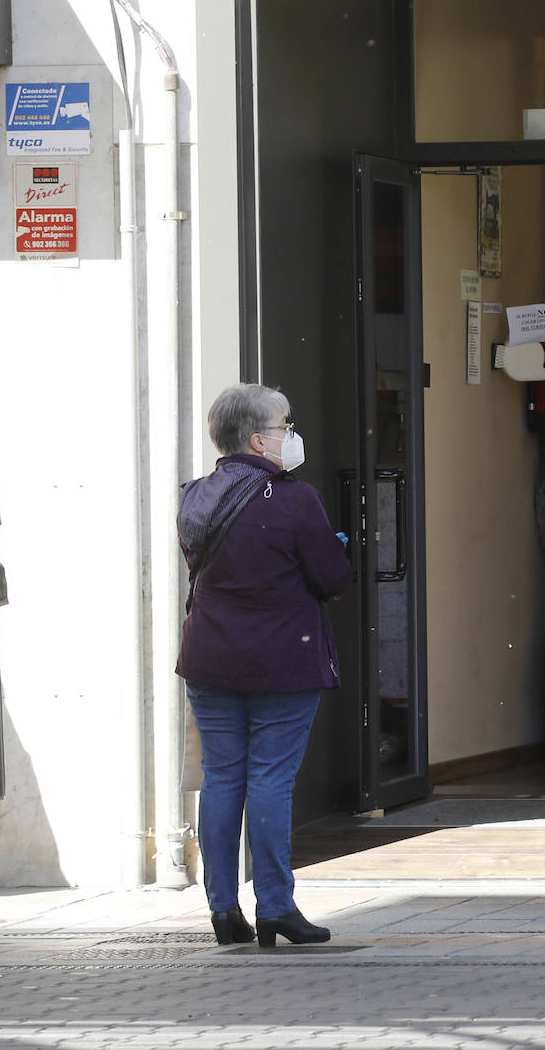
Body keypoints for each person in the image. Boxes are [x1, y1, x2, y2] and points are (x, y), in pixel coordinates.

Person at [177, 383, 352, 947]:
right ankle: (276, 906)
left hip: (209, 657)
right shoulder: (296, 499)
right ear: (258, 438)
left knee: (223, 780)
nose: (291, 434)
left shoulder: (194, 496)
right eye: (285, 425)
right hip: (283, 659)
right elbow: (332, 578)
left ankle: (223, 910)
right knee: (272, 780)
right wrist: (338, 546)